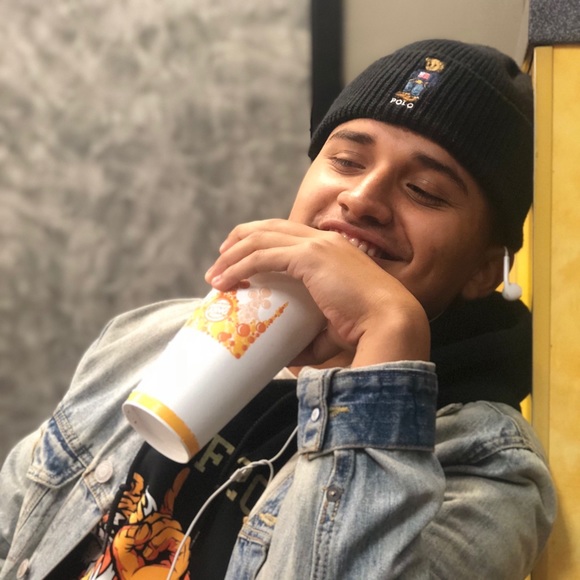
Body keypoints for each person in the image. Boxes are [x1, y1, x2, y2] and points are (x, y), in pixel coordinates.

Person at [0, 39, 556, 579]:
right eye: (346, 160)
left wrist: (388, 329)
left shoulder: (487, 467)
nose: (362, 198)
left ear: (485, 270)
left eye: (425, 190)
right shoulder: (150, 337)